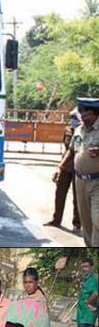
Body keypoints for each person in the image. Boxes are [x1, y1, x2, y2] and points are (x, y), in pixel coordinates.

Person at [44, 109, 82, 233]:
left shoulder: (84, 131)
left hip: (79, 168)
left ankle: (77, 224)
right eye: (71, 117)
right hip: (65, 167)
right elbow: (66, 150)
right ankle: (56, 220)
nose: (72, 120)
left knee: (77, 198)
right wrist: (59, 167)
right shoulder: (67, 130)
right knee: (59, 194)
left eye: (75, 118)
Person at [71, 98, 99, 246]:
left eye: (86, 113)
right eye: (81, 113)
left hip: (97, 182)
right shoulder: (78, 129)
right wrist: (61, 168)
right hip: (79, 180)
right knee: (85, 219)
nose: (82, 116)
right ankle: (90, 247)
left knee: (97, 219)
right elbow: (72, 151)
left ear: (94, 113)